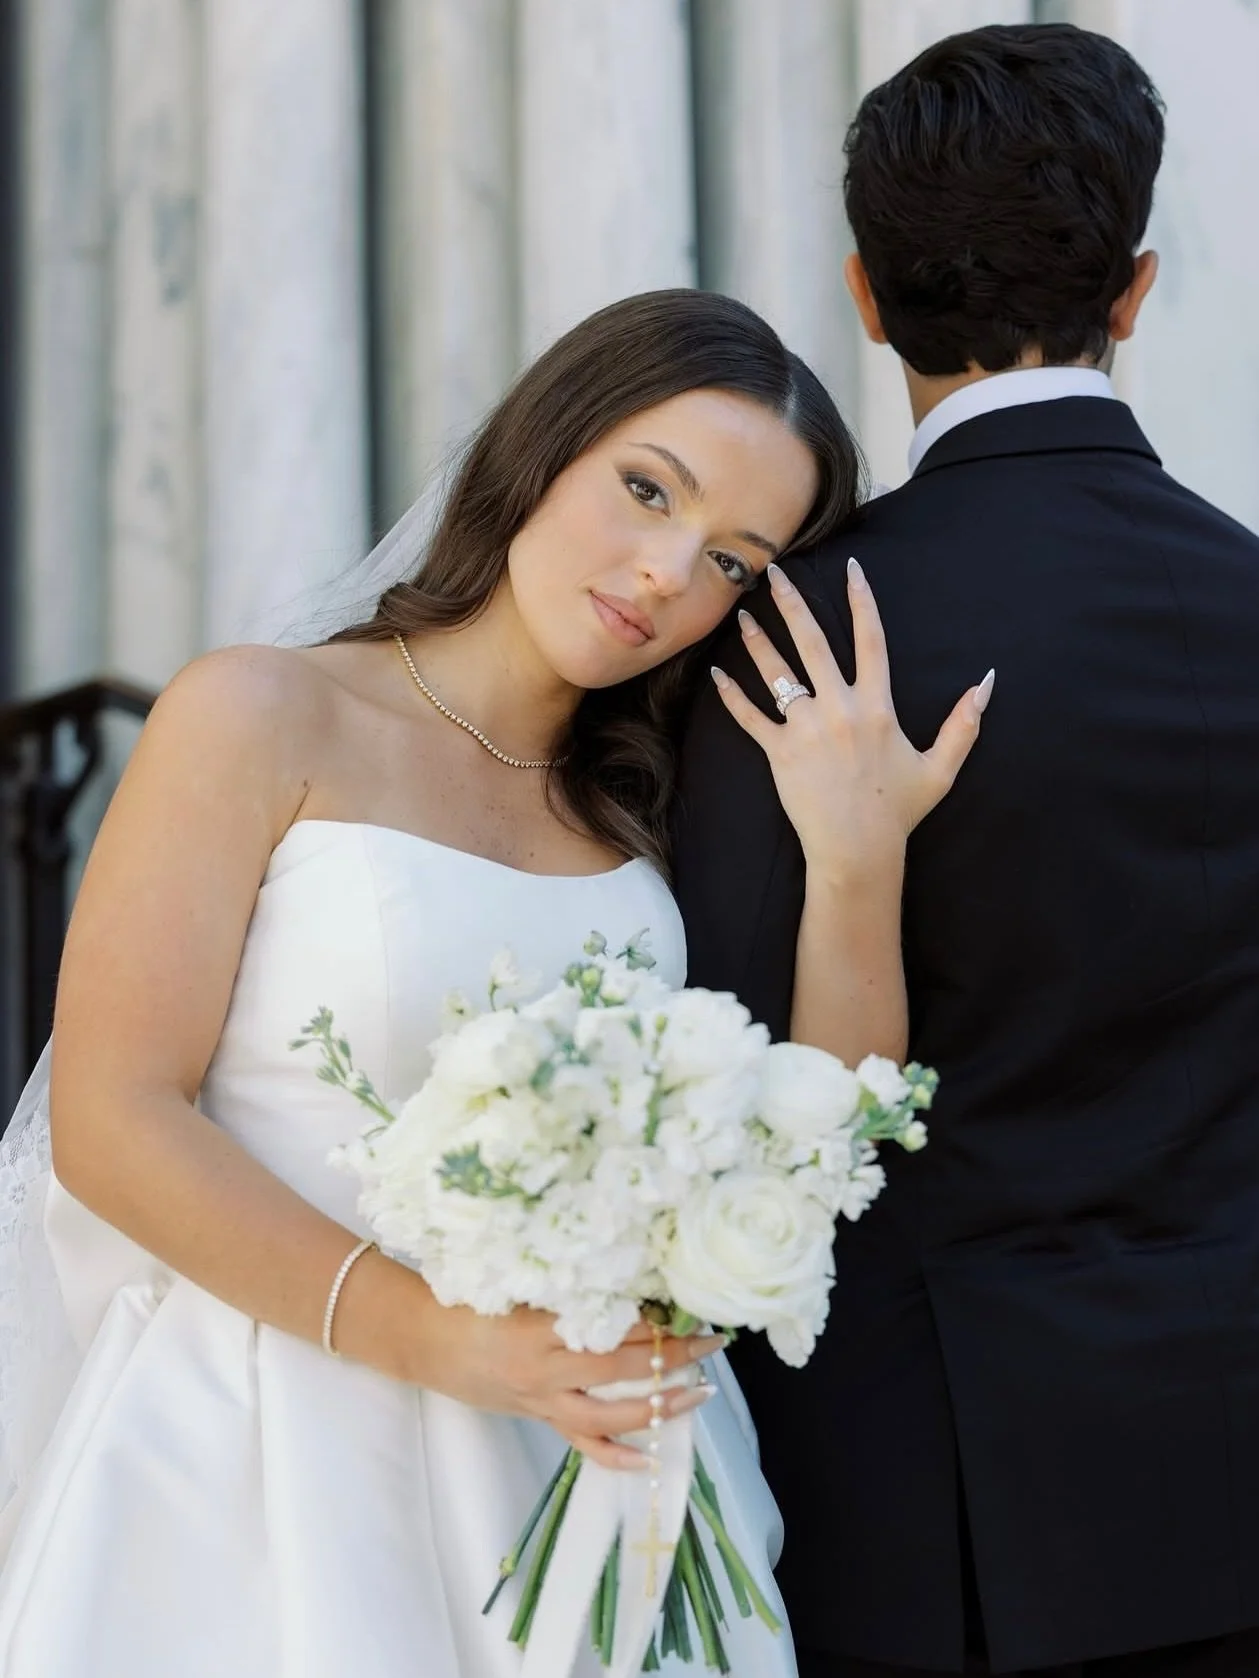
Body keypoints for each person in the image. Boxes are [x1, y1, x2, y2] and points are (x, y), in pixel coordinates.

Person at [0, 289, 985, 1678]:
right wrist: (441, 1341)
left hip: (592, 1459)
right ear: (543, 445)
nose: (661, 574)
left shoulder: (652, 813)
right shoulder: (258, 712)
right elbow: (112, 1115)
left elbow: (822, 1124)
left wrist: (855, 851)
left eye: (730, 561)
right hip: (273, 1443)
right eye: (645, 491)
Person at [674, 23, 1259, 1678]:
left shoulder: (792, 637)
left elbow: (739, 1075)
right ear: (1132, 290)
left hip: (933, 1502)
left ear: (863, 295)